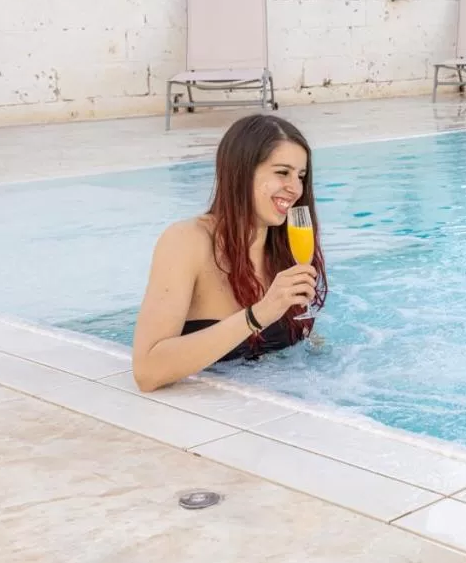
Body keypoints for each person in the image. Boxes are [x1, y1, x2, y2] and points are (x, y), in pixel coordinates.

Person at [132, 114, 327, 392]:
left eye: (301, 176)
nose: (295, 188)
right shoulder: (187, 242)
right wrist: (258, 315)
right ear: (241, 171)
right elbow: (147, 372)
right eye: (282, 173)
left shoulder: (286, 247)